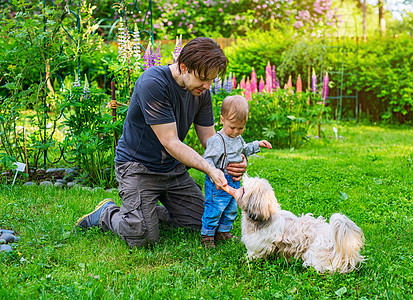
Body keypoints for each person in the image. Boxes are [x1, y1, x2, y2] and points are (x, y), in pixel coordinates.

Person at [75, 37, 247, 249]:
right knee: (143, 238)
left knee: (200, 222)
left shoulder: (201, 93)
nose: (207, 86)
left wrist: (234, 158)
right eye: (203, 79)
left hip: (172, 170)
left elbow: (211, 141)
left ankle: (142, 212)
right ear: (184, 67)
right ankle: (107, 213)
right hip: (138, 168)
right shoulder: (154, 83)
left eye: (211, 80)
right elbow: (170, 142)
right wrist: (210, 169)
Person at [201, 95, 272, 248]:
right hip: (218, 182)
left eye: (240, 128)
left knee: (231, 208)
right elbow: (207, 160)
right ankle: (207, 235)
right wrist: (214, 174)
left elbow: (244, 150)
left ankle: (223, 232)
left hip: (234, 179)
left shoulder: (238, 138)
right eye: (232, 127)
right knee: (215, 207)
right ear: (222, 120)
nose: (236, 131)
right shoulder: (216, 140)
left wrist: (257, 144)